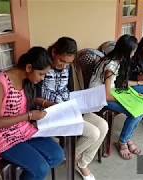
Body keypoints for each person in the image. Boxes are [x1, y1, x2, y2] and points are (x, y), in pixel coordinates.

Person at [0, 47, 64, 180]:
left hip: (23, 129)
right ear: (28, 68)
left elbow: (24, 99)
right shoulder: (0, 84)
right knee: (41, 168)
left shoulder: (25, 80)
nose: (43, 78)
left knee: (57, 155)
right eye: (41, 74)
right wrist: (29, 116)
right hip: (2, 136)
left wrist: (46, 103)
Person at [36, 37, 108, 180]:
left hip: (67, 107)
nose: (64, 66)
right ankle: (68, 157)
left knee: (103, 125)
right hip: (49, 112)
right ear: (54, 52)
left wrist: (80, 102)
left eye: (68, 63)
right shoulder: (42, 65)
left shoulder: (67, 67)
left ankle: (81, 162)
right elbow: (33, 96)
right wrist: (51, 105)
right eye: (61, 61)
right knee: (93, 133)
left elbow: (69, 90)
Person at [89, 34, 143, 160]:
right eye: (133, 51)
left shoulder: (118, 61)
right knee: (136, 110)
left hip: (112, 92)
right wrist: (127, 100)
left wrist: (140, 85)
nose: (134, 53)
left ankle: (127, 138)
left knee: (141, 107)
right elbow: (107, 95)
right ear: (127, 51)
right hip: (98, 97)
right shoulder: (111, 66)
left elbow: (120, 84)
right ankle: (123, 142)